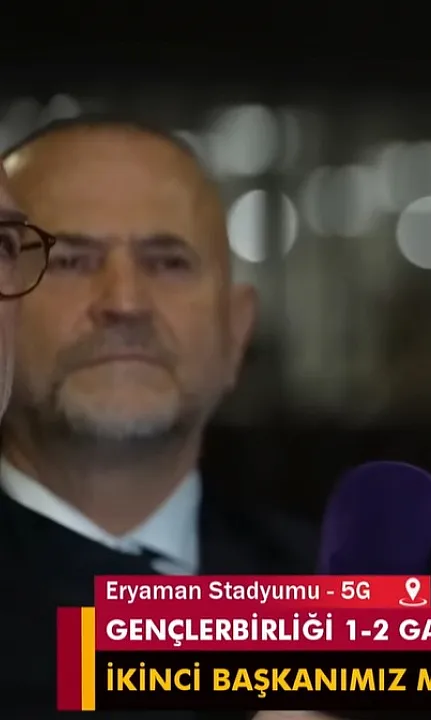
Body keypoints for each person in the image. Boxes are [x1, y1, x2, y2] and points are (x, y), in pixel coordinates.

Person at [0, 116, 316, 716]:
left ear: (237, 330)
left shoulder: (341, 601)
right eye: (70, 261)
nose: (124, 303)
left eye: (168, 262)